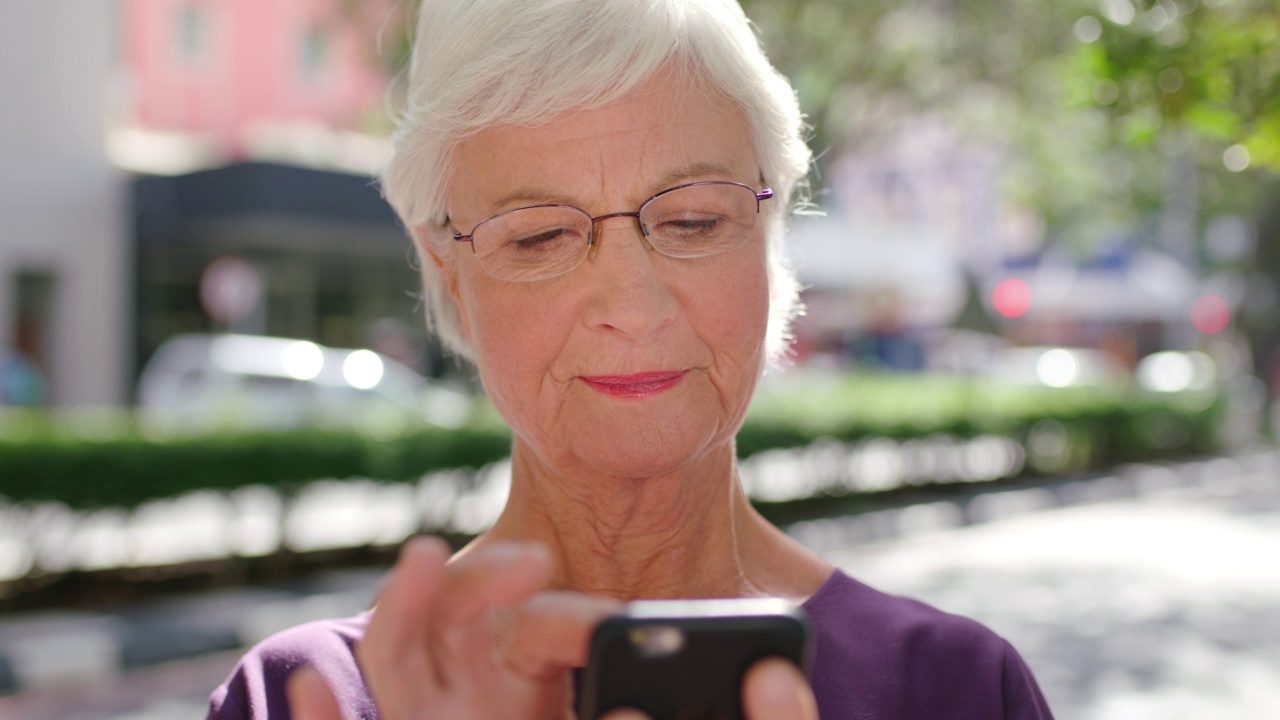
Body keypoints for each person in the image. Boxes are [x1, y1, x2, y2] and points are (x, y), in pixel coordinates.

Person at [208, 0, 1054, 718]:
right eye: (539, 235)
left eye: (692, 221)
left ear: (769, 236)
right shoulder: (313, 697)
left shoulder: (954, 687)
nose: (632, 308)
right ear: (449, 273)